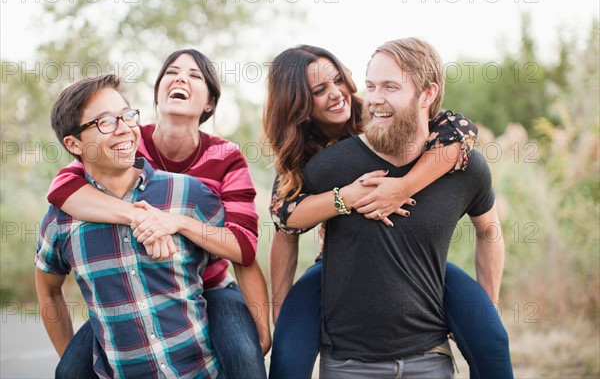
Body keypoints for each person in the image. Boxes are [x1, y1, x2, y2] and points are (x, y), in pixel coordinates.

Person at [264, 45, 512, 378]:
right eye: (319, 91)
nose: (336, 94)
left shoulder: (376, 109)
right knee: (289, 348)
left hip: (419, 258)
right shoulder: (303, 155)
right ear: (297, 105)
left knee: (490, 334)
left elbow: (458, 130)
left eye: (339, 79)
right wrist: (345, 197)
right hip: (339, 264)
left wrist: (403, 187)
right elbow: (285, 220)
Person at [46, 50, 269, 378]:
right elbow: (62, 189)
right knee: (69, 371)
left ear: (209, 102)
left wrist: (176, 222)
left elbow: (243, 246)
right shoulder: (126, 141)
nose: (181, 78)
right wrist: (141, 217)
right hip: (137, 291)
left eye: (195, 75)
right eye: (172, 72)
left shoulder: (226, 156)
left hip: (209, 285)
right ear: (157, 94)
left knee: (244, 355)